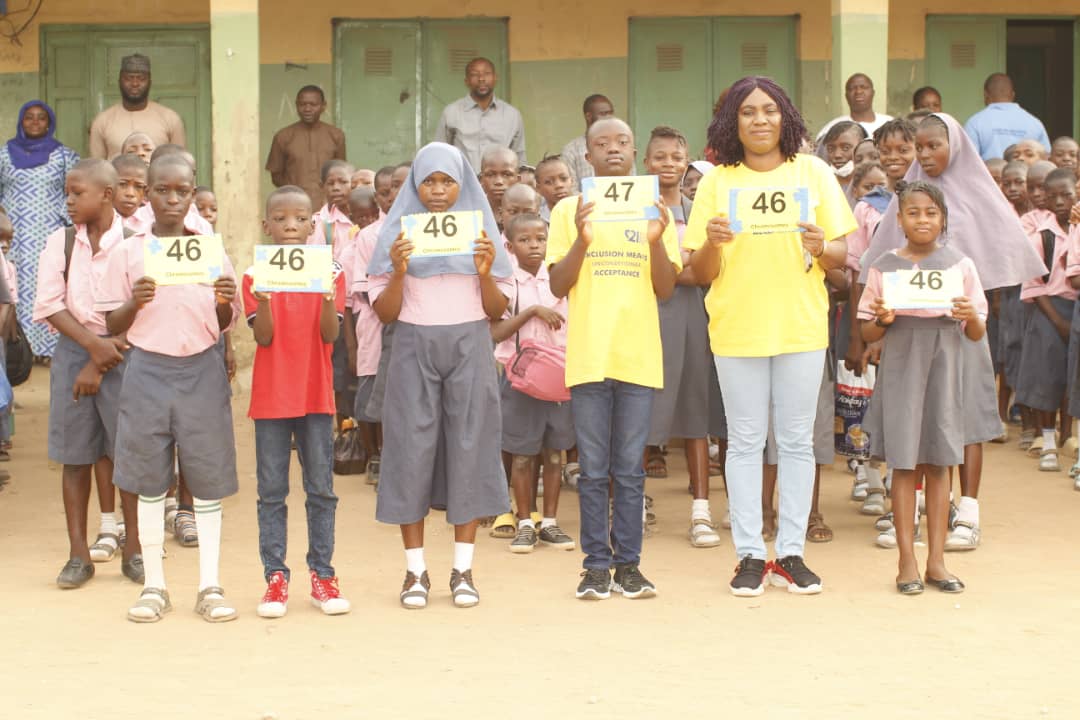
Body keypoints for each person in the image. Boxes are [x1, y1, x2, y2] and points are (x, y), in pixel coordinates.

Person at [686, 76, 857, 597]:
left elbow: (840, 258)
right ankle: (748, 556)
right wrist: (713, 243)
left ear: (785, 117)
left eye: (769, 110)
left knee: (797, 441)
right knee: (743, 442)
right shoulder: (718, 181)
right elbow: (699, 269)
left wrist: (820, 244)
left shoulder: (814, 172)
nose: (760, 120)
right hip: (737, 328)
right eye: (747, 112)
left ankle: (791, 552)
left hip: (801, 327)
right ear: (731, 123)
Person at [861, 113, 1042, 554]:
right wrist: (879, 327)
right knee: (917, 419)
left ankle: (969, 513)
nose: (925, 155)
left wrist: (975, 313)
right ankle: (913, 511)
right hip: (911, 336)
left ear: (955, 145)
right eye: (918, 148)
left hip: (965, 330)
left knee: (968, 420)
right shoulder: (911, 198)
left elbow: (1003, 259)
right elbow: (878, 266)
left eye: (932, 146)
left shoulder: (982, 194)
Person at [96, 154, 242, 623]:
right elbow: (109, 323)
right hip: (146, 369)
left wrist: (223, 302)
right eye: (162, 190)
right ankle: (156, 586)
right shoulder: (129, 251)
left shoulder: (210, 249)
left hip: (201, 368)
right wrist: (133, 303)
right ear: (146, 194)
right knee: (147, 478)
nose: (172, 200)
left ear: (194, 191)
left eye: (182, 191)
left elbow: (223, 323)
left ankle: (210, 585)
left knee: (206, 479)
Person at [367, 142, 513, 609]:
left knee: (470, 445)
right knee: (410, 449)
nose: (437, 191)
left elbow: (497, 309)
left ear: (461, 184)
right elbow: (385, 313)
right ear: (414, 185)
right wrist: (399, 272)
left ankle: (463, 569)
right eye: (428, 181)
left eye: (447, 181)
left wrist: (485, 272)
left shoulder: (483, 235)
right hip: (413, 344)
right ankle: (415, 573)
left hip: (470, 344)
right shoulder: (396, 237)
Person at [548, 117, 679, 601]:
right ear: (587, 154)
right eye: (602, 144)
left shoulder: (655, 209)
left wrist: (656, 240)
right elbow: (558, 285)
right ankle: (595, 566)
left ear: (634, 151)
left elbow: (665, 288)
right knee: (594, 470)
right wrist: (582, 240)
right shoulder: (569, 209)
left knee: (630, 469)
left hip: (638, 355)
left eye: (623, 142)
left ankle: (629, 566)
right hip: (588, 355)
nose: (614, 151)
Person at [859, 181, 985, 595]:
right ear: (900, 220)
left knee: (939, 460)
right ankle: (906, 561)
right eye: (913, 213)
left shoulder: (959, 266)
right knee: (904, 461)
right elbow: (866, 329)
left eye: (931, 212)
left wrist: (970, 315)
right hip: (901, 368)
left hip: (944, 369)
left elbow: (976, 331)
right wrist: (883, 319)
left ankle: (936, 561)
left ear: (942, 218)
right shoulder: (883, 266)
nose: (922, 220)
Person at [32, 158, 142, 589]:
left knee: (126, 456)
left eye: (78, 193)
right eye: (68, 192)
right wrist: (92, 350)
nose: (70, 200)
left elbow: (141, 307)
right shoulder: (59, 243)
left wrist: (99, 360)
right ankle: (79, 554)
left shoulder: (136, 242)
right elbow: (49, 306)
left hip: (125, 353)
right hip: (74, 352)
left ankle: (133, 548)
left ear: (107, 195)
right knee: (75, 457)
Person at [244, 185, 351, 618]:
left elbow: (331, 335)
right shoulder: (255, 274)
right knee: (271, 491)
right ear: (266, 225)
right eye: (281, 218)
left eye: (300, 218)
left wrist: (327, 296)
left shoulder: (331, 271)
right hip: (271, 398)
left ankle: (322, 575)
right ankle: (275, 577)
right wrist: (265, 302)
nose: (290, 225)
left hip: (315, 395)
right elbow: (262, 335)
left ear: (313, 225)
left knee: (321, 489)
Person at [640, 126, 722, 549]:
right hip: (644, 315)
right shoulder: (635, 209)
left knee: (695, 410)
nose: (669, 164)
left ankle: (701, 511)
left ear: (686, 162)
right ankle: (635, 503)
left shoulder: (698, 209)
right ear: (646, 162)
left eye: (677, 157)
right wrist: (676, 270)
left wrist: (673, 272)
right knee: (639, 409)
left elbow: (705, 270)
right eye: (660, 157)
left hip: (692, 316)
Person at [491, 212, 576, 554]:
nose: (534, 246)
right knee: (523, 455)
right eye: (525, 241)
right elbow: (496, 331)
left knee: (555, 453)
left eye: (540, 239)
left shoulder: (559, 277)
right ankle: (525, 522)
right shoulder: (506, 283)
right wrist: (532, 312)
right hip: (521, 382)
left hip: (558, 380)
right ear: (510, 246)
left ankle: (551, 524)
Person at [0, 101, 80, 359]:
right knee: (12, 286)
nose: (35, 123)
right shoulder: (3, 154)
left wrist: (66, 220)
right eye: (29, 118)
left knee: (47, 283)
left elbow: (76, 189)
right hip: (11, 234)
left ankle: (47, 350)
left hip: (48, 231)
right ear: (21, 121)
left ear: (50, 123)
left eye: (41, 118)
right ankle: (18, 352)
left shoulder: (65, 156)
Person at [1016, 167, 1077, 473]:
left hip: (1075, 309)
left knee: (1070, 375)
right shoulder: (1043, 235)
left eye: (1067, 194)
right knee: (1046, 376)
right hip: (1048, 311)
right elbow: (1034, 285)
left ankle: (1068, 436)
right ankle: (1048, 441)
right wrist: (1058, 322)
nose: (1060, 201)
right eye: (1053, 196)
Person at [434, 58, 526, 172]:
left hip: (501, 185)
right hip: (464, 184)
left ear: (495, 77)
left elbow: (519, 157)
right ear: (466, 81)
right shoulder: (451, 112)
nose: (481, 79)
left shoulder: (512, 115)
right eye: (474, 74)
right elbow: (440, 154)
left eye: (487, 74)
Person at [89, 55, 186, 160]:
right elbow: (97, 169)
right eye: (128, 78)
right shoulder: (102, 121)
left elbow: (180, 165)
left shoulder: (170, 119)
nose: (135, 83)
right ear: (119, 82)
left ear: (150, 82)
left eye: (141, 78)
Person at [266, 86, 348, 208]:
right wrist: (293, 191)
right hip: (293, 205)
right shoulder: (283, 136)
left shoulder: (336, 135)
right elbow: (276, 176)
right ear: (296, 105)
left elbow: (340, 173)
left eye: (313, 104)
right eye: (302, 104)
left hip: (328, 206)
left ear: (323, 106)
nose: (307, 109)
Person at [964, 73, 1051, 161]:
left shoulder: (975, 122)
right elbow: (1046, 158)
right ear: (1013, 95)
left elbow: (969, 160)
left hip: (991, 174)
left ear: (985, 95)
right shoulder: (1035, 123)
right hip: (1026, 174)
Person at [561, 94, 615, 191]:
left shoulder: (621, 147)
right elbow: (570, 190)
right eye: (604, 114)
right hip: (585, 205)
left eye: (611, 113)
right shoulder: (571, 150)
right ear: (588, 116)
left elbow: (632, 181)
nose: (609, 118)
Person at [816, 73, 893, 141]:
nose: (858, 92)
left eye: (864, 87)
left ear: (873, 93)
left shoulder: (889, 124)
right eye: (852, 88)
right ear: (846, 96)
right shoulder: (832, 128)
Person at [478, 146, 519, 223]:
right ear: (481, 179)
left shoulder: (527, 211)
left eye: (506, 174)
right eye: (490, 175)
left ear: (518, 180)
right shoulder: (471, 214)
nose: (499, 181)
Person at [535, 155, 575, 222]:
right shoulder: (537, 220)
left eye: (564, 178)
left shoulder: (586, 213)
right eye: (549, 182)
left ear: (572, 180)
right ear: (538, 188)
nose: (559, 185)